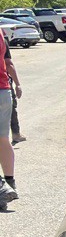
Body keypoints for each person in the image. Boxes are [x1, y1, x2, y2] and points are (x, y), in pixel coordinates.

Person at [0, 32, 20, 211]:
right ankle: (9, 182)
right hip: (4, 91)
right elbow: (8, 62)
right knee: (3, 139)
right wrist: (18, 84)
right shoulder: (1, 32)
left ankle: (2, 187)